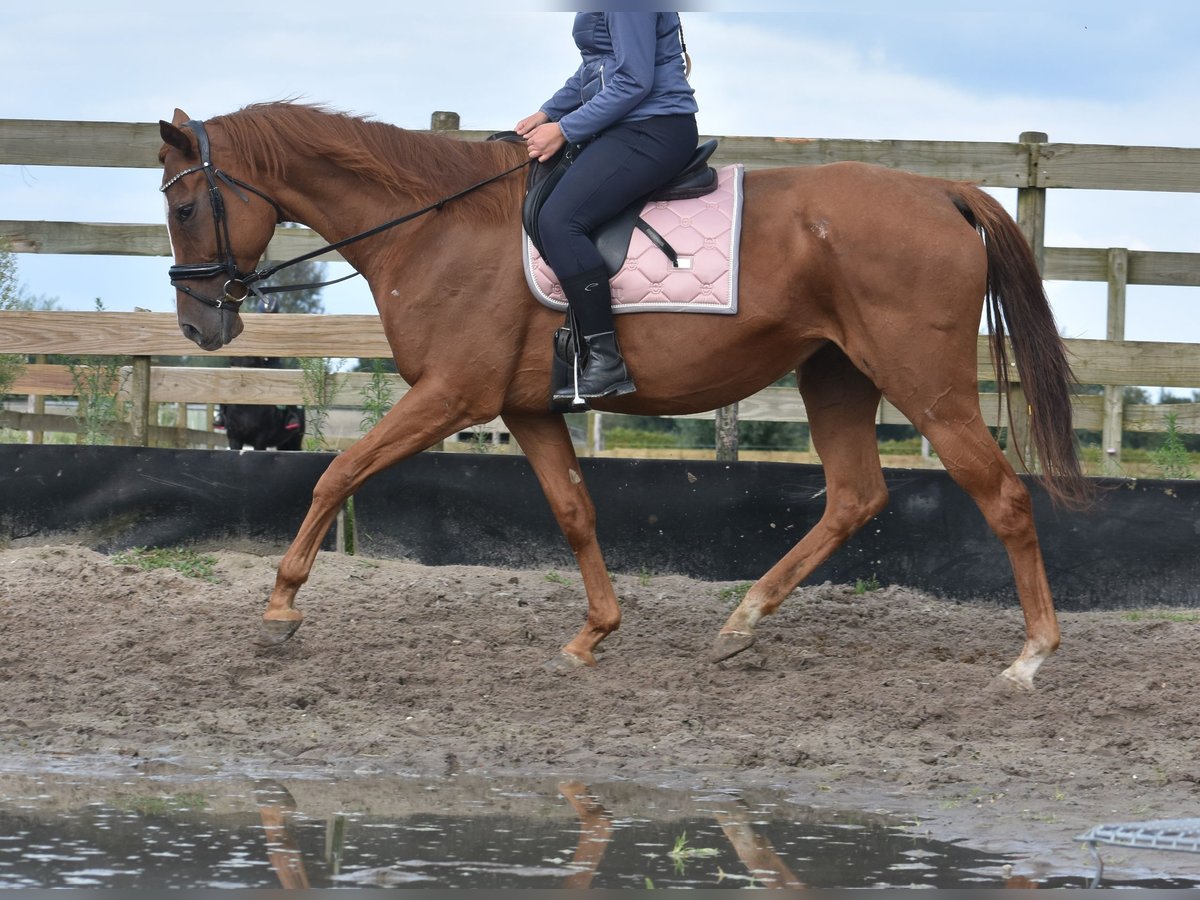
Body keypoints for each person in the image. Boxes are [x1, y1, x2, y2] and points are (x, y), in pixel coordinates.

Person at [516, 12, 698, 406]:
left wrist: (564, 130)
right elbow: (594, 65)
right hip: (622, 124)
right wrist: (549, 112)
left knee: (559, 221)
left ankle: (605, 359)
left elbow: (634, 80)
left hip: (653, 127)